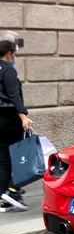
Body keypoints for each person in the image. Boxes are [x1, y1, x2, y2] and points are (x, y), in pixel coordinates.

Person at [0, 40, 33, 212]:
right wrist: (23, 117)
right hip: (8, 119)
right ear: (9, 54)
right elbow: (14, 96)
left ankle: (4, 198)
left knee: (2, 160)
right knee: (22, 156)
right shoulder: (8, 70)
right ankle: (12, 191)